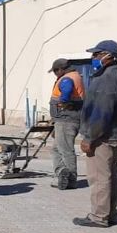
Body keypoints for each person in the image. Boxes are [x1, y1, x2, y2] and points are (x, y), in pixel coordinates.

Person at [73, 40, 117, 228]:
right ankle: (109, 213)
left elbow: (102, 111)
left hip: (101, 137)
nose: (93, 58)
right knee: (109, 176)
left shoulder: (108, 77)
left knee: (99, 177)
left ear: (108, 55)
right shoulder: (111, 74)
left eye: (96, 54)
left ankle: (99, 216)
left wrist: (90, 137)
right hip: (108, 134)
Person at [48, 58, 84, 190]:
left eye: (55, 72)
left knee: (66, 150)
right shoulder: (76, 76)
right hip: (66, 119)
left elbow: (66, 92)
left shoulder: (66, 79)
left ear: (60, 70)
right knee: (56, 149)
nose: (54, 74)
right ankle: (61, 173)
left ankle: (70, 180)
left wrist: (63, 103)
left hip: (66, 119)